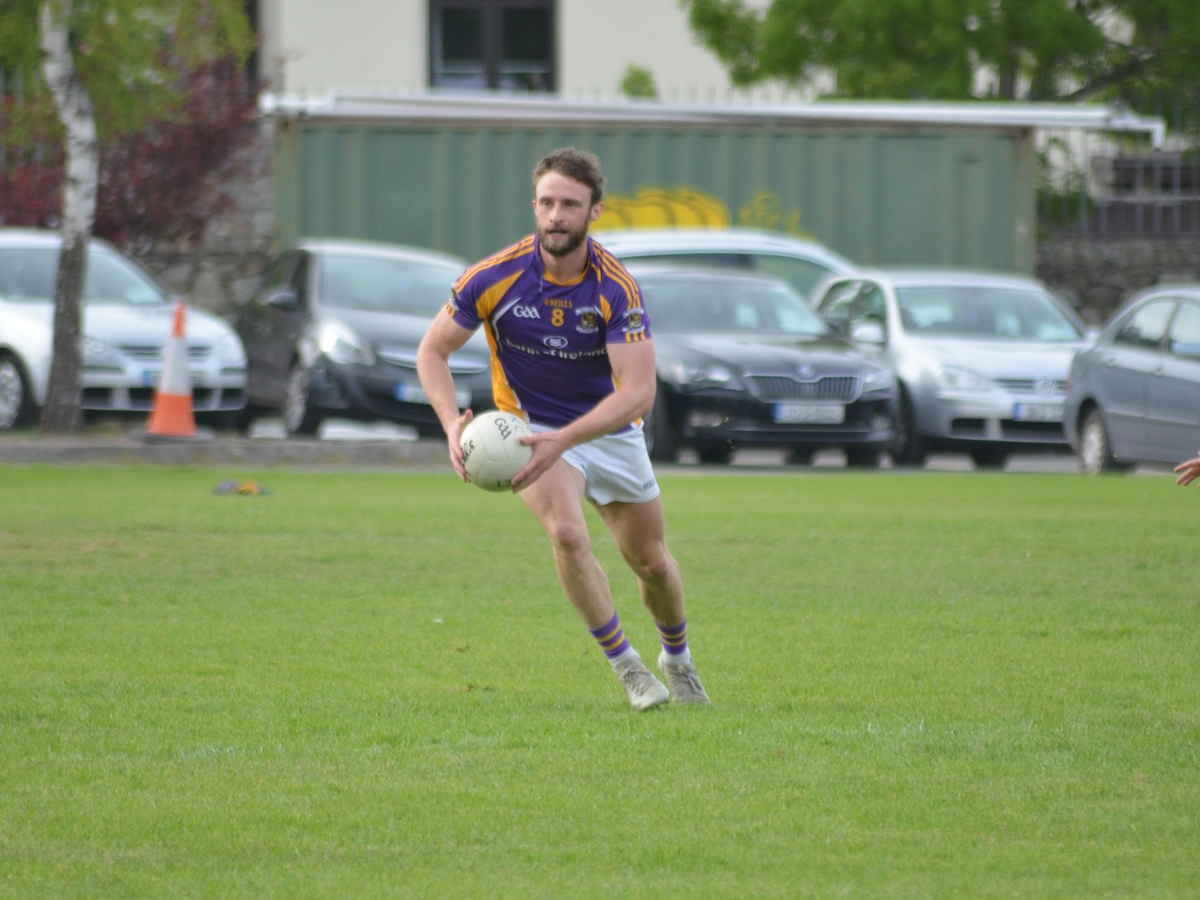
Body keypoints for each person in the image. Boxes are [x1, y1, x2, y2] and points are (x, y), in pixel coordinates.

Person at [416, 147, 709, 711]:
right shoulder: (493, 276)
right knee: (568, 535)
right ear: (534, 205)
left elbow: (638, 394)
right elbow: (432, 352)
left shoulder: (615, 287)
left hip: (609, 430)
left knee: (650, 561)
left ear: (594, 212)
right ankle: (629, 669)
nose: (556, 215)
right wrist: (452, 424)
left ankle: (678, 657)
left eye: (569, 205)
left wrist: (569, 439)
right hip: (528, 430)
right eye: (547, 203)